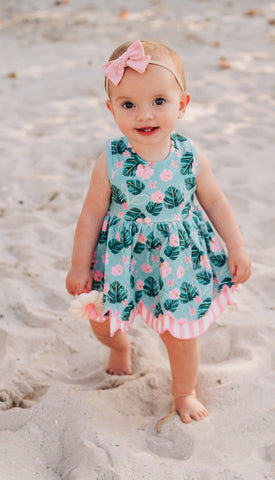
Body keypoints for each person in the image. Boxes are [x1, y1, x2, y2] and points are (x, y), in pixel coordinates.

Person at [66, 40, 251, 424]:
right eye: (128, 104)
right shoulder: (111, 160)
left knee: (180, 335)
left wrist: (237, 246)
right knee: (102, 320)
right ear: (111, 109)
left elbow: (215, 203)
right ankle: (119, 349)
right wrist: (78, 266)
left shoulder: (189, 155)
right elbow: (90, 215)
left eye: (159, 102)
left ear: (182, 104)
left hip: (177, 263)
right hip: (121, 260)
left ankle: (184, 392)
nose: (144, 114)